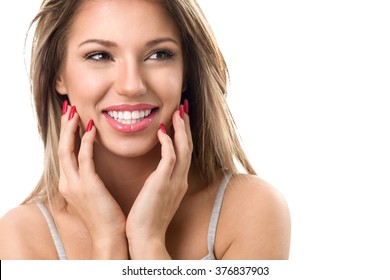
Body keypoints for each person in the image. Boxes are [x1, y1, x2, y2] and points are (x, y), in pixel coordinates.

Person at [0, 0, 290, 260]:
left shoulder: (251, 211)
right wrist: (108, 240)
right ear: (57, 75)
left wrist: (148, 242)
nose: (132, 85)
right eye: (100, 56)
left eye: (159, 54)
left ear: (186, 72)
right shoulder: (22, 237)